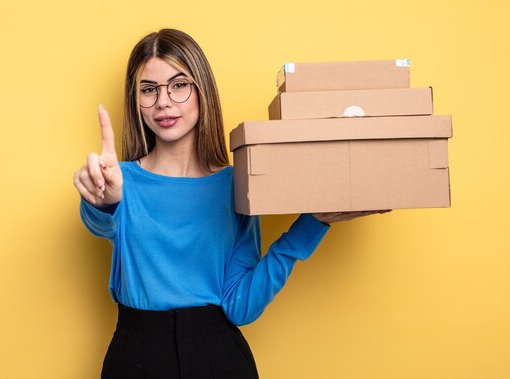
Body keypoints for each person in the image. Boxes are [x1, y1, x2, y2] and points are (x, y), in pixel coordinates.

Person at [74, 28, 387, 379]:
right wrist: (106, 202)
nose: (163, 102)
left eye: (179, 85)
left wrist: (311, 223)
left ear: (202, 91)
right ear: (135, 100)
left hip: (217, 358)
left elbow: (241, 307)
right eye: (149, 90)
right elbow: (101, 222)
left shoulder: (236, 184)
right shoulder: (120, 180)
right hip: (136, 357)